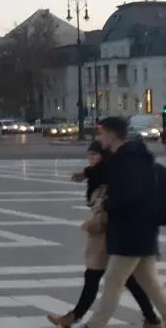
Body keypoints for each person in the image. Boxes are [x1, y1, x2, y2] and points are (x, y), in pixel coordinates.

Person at [46, 140, 161, 327]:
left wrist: (87, 174)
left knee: (97, 276)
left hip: (107, 234)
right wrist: (86, 173)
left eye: (95, 155)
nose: (91, 158)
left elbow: (114, 200)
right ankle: (151, 319)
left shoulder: (112, 173)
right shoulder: (101, 173)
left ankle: (77, 318)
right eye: (89, 155)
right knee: (127, 280)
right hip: (108, 235)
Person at [82, 117, 166, 328]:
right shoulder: (130, 157)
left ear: (111, 135)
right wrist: (85, 174)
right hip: (141, 231)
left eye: (101, 133)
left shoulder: (129, 160)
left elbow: (131, 196)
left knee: (113, 281)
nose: (99, 138)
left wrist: (107, 203)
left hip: (131, 232)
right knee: (151, 283)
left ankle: (94, 325)